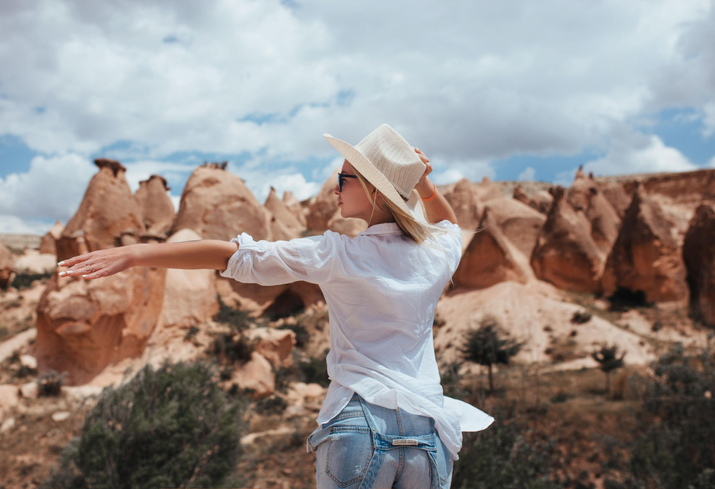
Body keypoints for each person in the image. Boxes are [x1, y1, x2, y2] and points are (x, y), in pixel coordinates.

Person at [58, 124, 493, 489]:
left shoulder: (337, 253)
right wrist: (424, 185)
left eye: (345, 179)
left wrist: (136, 255)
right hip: (429, 435)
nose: (336, 187)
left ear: (377, 192)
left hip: (360, 423)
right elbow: (448, 224)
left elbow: (233, 257)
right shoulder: (436, 254)